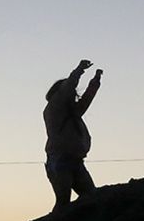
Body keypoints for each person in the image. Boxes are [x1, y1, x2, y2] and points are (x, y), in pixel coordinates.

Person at [44, 59, 103, 211]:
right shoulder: (55, 107)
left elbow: (86, 100)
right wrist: (79, 69)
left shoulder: (72, 112)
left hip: (74, 159)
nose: (74, 96)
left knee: (90, 196)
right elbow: (69, 86)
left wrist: (95, 81)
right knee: (63, 201)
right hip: (60, 159)